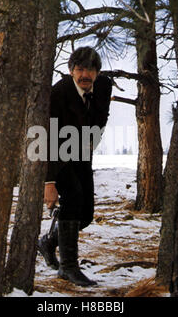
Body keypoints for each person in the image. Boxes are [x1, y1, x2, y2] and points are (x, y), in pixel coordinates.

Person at [38, 47, 112, 287]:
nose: (85, 75)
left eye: (91, 69)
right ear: (71, 71)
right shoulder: (58, 93)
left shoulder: (104, 86)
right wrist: (48, 182)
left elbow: (102, 116)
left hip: (81, 151)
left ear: (97, 72)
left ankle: (48, 243)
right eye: (80, 69)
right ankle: (68, 267)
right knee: (74, 199)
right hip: (56, 153)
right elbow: (46, 137)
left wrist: (92, 140)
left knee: (86, 214)